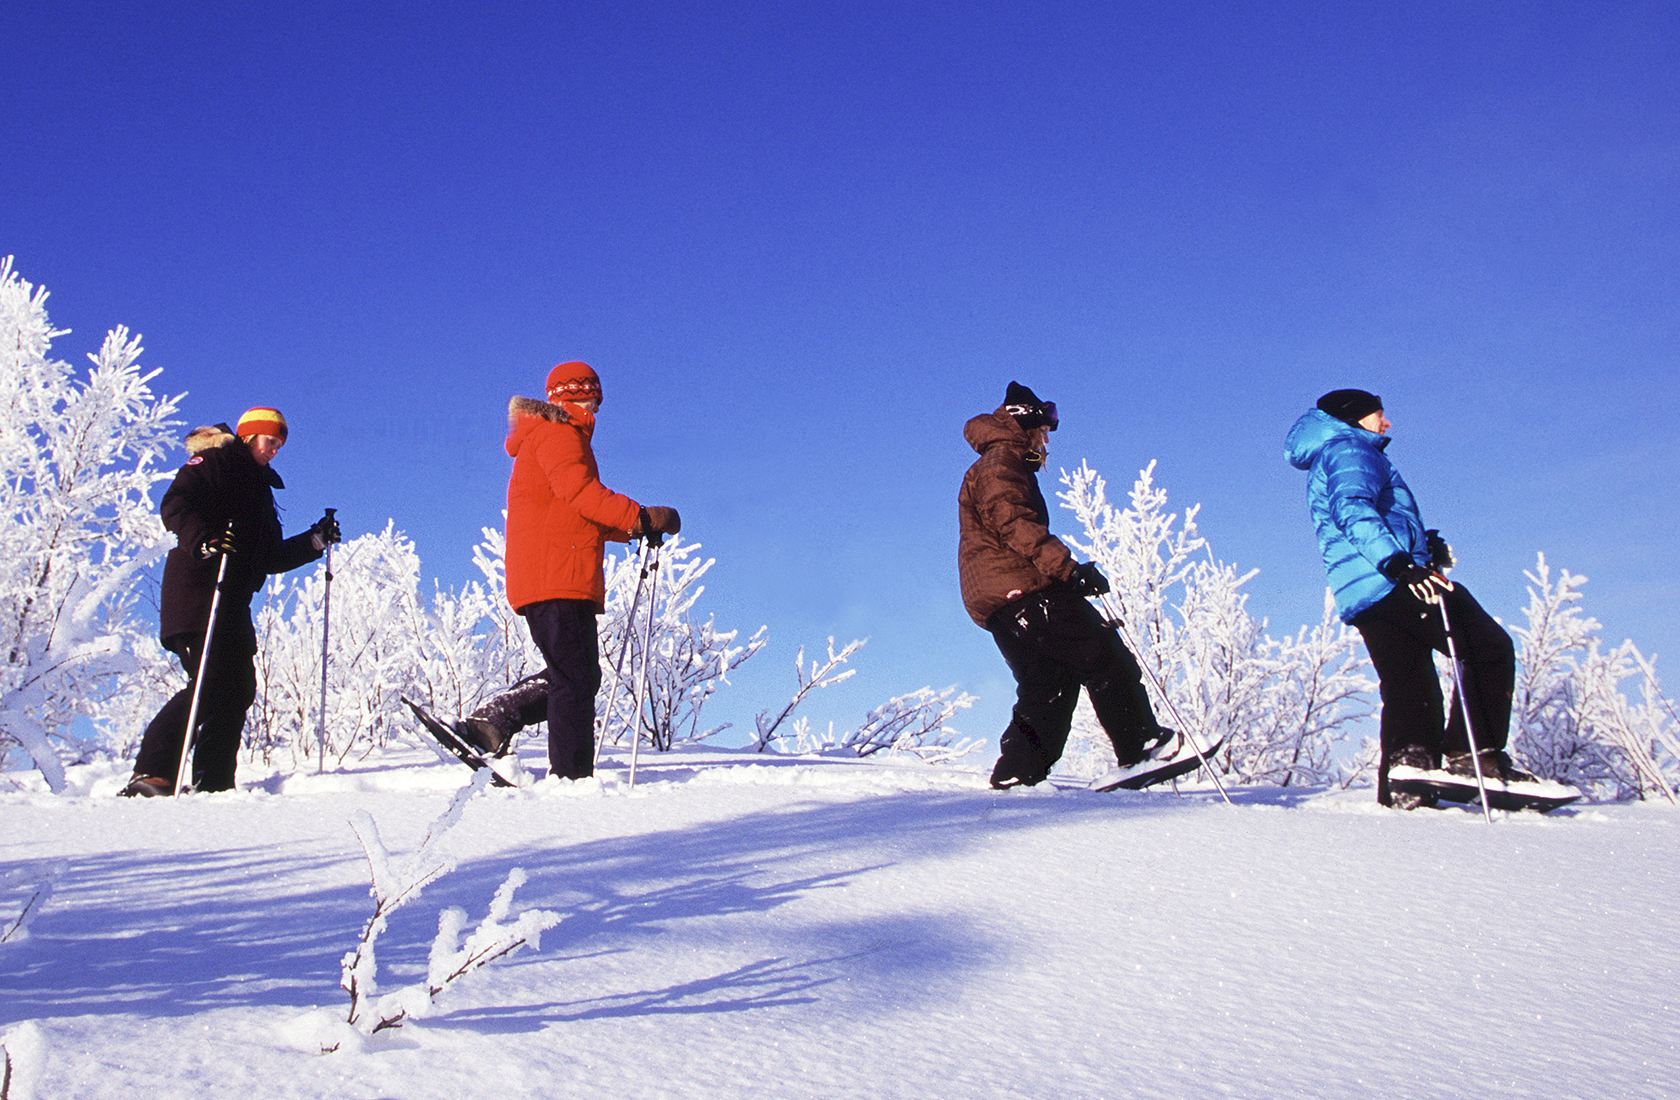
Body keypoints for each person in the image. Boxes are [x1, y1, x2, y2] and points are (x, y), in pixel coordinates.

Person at [1285, 389, 1536, 808]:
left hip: (1363, 594)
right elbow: (1352, 508)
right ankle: (1474, 759)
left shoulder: (1332, 452)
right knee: (1489, 648)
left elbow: (1366, 513)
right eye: (1379, 415)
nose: (1387, 424)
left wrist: (1422, 546)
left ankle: (1408, 779)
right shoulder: (1350, 448)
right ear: (1355, 418)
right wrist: (1401, 564)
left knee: (1409, 685)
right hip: (1391, 580)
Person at [959, 381, 1183, 790]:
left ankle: (1018, 773)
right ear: (1026, 426)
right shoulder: (1001, 463)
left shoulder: (1001, 463)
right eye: (1043, 429)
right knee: (1102, 652)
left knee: (1050, 683)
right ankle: (1141, 745)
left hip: (1000, 600)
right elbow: (1014, 524)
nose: (1046, 439)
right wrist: (1069, 570)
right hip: (1023, 590)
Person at [124, 408, 339, 796]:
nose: (274, 451)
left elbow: (269, 557)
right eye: (270, 441)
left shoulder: (260, 491)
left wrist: (314, 541)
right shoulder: (215, 460)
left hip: (233, 602)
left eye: (279, 445)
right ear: (249, 436)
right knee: (211, 682)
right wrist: (204, 540)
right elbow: (176, 504)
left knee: (238, 689)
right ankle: (152, 773)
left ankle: (215, 783)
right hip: (198, 590)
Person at [501, 361, 680, 779]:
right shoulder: (559, 433)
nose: (594, 409)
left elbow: (577, 511)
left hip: (555, 572)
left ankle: (497, 720)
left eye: (596, 400)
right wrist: (641, 516)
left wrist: (633, 526)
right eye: (589, 398)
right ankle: (569, 777)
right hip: (558, 575)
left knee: (578, 676)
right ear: (568, 397)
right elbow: (582, 494)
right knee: (576, 680)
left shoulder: (549, 436)